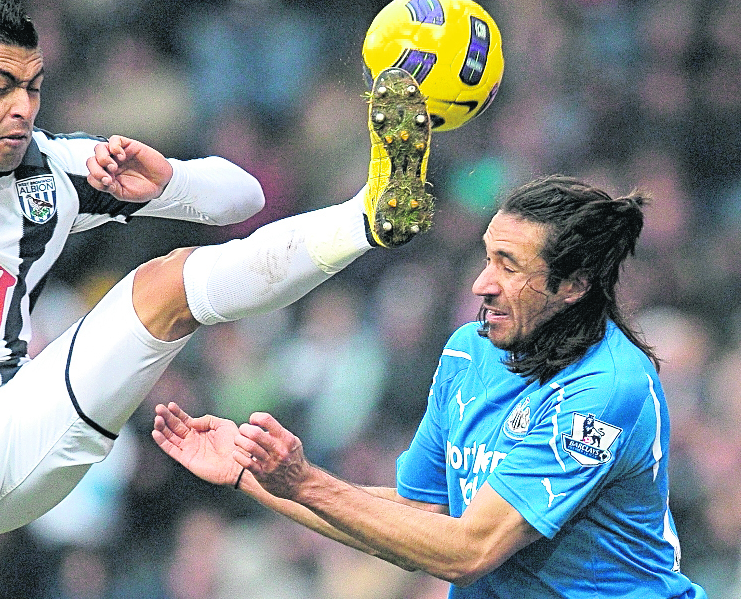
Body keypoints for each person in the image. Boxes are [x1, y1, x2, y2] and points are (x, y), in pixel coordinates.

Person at [0, 0, 432, 599]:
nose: (21, 108)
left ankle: (367, 214)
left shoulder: (54, 170)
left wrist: (171, 181)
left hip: (10, 420)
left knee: (165, 286)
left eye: (31, 87)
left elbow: (243, 199)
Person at [153, 176, 709, 598]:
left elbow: (470, 549)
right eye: (487, 256)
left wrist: (302, 483)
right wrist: (255, 477)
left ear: (572, 287)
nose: (481, 284)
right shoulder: (469, 351)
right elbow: (421, 520)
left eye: (509, 267)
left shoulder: (606, 389)